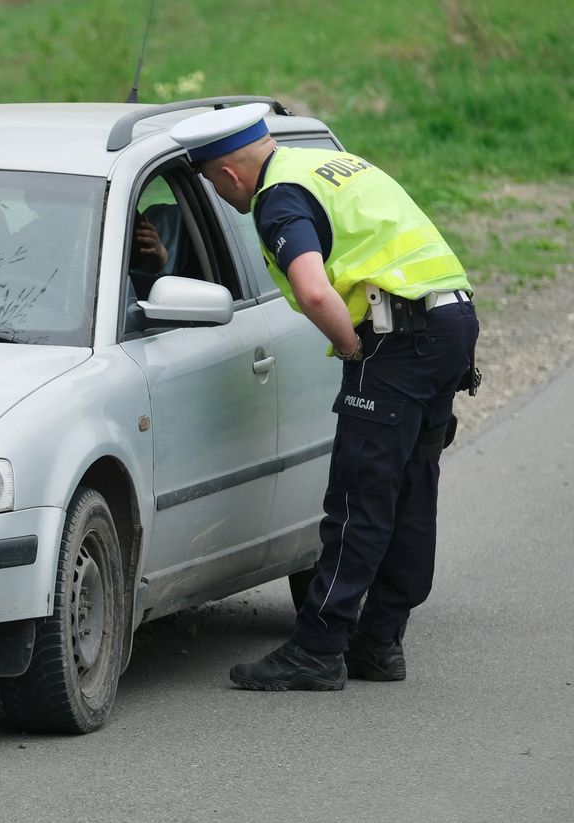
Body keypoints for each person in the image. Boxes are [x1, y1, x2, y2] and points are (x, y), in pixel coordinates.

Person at [169, 103, 480, 691]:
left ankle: (318, 649)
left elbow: (313, 291)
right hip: (450, 325)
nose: (216, 189)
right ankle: (381, 643)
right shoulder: (325, 163)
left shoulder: (278, 198)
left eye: (211, 180)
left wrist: (350, 349)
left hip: (396, 341)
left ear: (228, 175)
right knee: (411, 485)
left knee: (360, 497)